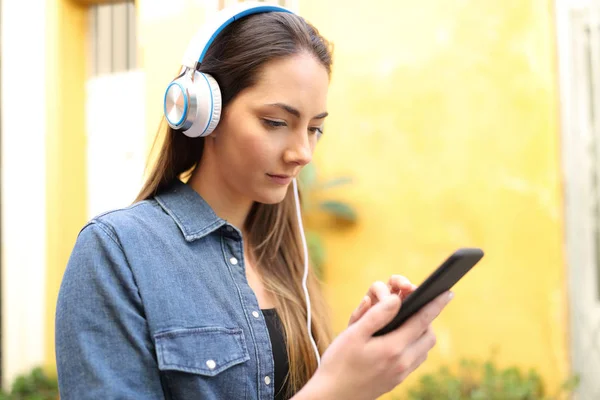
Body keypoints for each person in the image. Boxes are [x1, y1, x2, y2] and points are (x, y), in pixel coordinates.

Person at [55, 3, 454, 399]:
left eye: (315, 128)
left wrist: (349, 362)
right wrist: (335, 390)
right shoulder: (115, 252)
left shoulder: (283, 256)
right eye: (276, 123)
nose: (303, 152)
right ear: (202, 112)